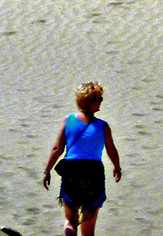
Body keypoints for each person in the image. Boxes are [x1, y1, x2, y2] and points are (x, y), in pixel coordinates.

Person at [43, 82, 123, 236]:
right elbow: (111, 149)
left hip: (72, 169)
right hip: (93, 172)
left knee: (70, 218)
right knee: (88, 226)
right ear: (90, 102)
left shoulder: (68, 120)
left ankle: (69, 228)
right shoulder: (102, 126)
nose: (101, 102)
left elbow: (57, 149)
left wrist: (47, 170)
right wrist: (117, 167)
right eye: (99, 99)